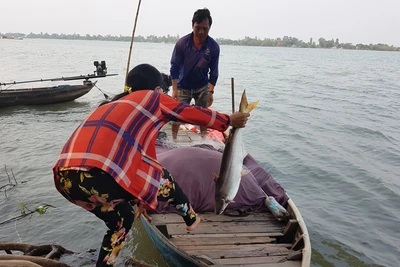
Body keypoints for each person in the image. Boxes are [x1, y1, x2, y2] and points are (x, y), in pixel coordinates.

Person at [52, 63, 250, 267]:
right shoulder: (153, 98)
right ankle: (191, 218)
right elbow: (190, 112)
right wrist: (228, 120)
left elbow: (145, 158)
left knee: (122, 220)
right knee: (165, 180)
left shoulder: (110, 105)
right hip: (99, 174)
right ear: (156, 90)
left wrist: (141, 200)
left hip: (65, 178)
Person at [170, 8, 220, 139]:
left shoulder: (213, 47)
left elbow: (214, 72)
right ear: (192, 25)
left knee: (203, 117)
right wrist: (174, 90)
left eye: (205, 28)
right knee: (176, 116)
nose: (201, 32)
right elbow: (174, 67)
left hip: (202, 87)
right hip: (182, 86)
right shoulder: (182, 43)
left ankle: (204, 140)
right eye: (198, 28)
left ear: (209, 28)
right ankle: (174, 140)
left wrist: (211, 92)